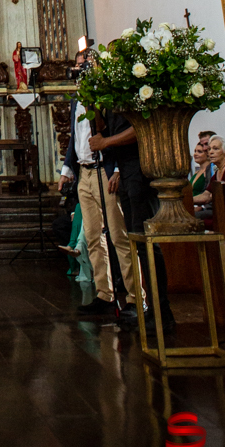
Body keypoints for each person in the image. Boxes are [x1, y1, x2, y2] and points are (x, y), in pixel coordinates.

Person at [89, 115, 176, 334]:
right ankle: (151, 309)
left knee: (148, 243)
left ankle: (162, 312)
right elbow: (104, 127)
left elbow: (141, 128)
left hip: (141, 168)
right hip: (126, 170)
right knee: (136, 241)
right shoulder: (111, 100)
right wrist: (94, 107)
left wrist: (106, 142)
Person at [59, 101, 137, 320]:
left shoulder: (105, 96)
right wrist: (67, 169)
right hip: (84, 172)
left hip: (105, 170)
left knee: (119, 236)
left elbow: (115, 130)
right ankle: (104, 294)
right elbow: (75, 136)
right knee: (93, 237)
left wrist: (119, 170)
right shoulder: (76, 99)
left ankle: (135, 298)